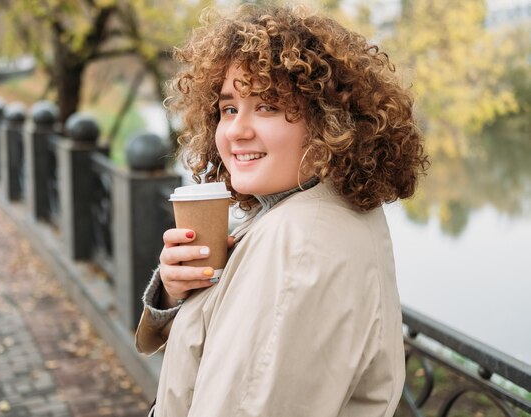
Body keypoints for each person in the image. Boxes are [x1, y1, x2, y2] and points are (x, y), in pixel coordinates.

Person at [135, 4, 429, 417]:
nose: (237, 130)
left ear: (328, 121)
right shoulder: (302, 211)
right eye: (229, 108)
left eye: (268, 106)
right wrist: (173, 290)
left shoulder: (298, 244)